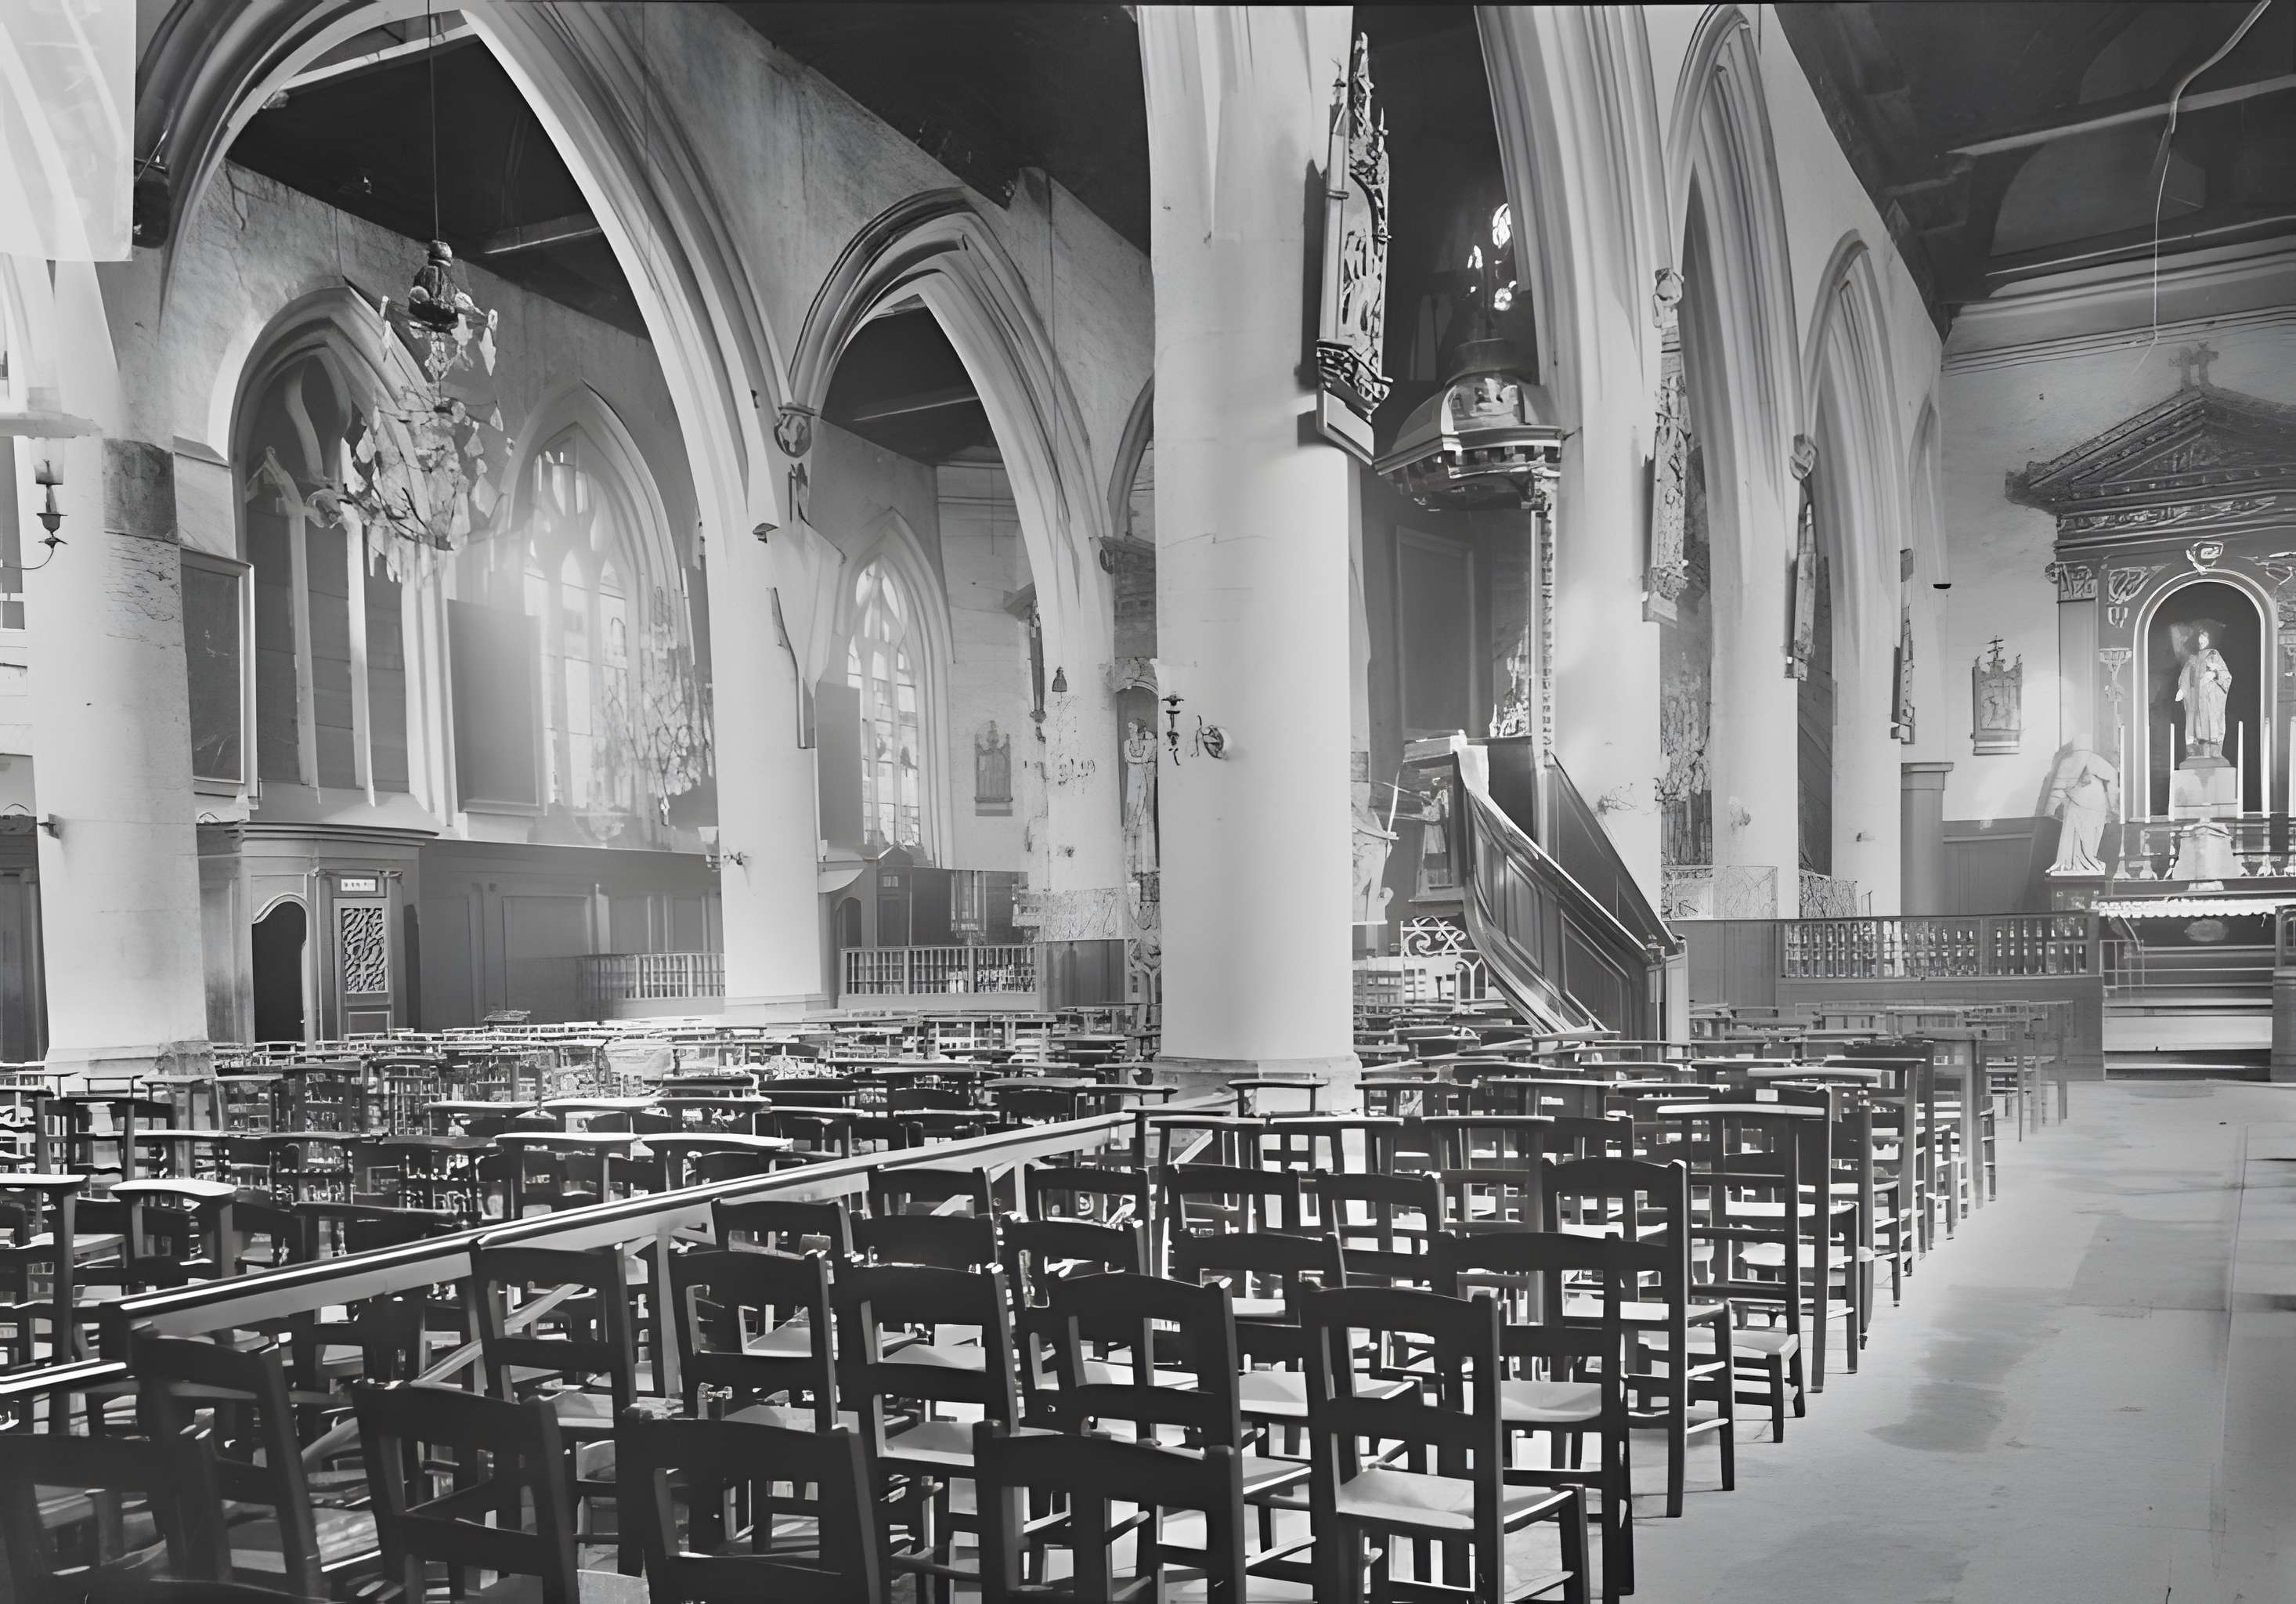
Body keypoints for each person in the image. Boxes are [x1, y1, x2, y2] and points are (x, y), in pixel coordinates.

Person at [2045, 735, 2119, 876]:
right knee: (2075, 838)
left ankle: (2085, 862)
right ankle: (2076, 863)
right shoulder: (2069, 762)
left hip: (2094, 807)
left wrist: (2112, 801)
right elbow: (2058, 788)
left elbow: (2111, 774)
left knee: (2088, 841)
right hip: (2081, 806)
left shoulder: (2091, 761)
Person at [2177, 629, 2232, 760]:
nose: (2201, 640)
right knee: (2197, 728)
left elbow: (2227, 676)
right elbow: (2185, 675)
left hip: (2210, 700)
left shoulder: (2214, 655)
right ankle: (2199, 753)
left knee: (2211, 727)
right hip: (2196, 701)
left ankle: (2214, 753)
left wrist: (2214, 674)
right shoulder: (2193, 658)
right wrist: (2182, 689)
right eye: (2200, 637)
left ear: (2210, 639)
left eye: (2204, 637)